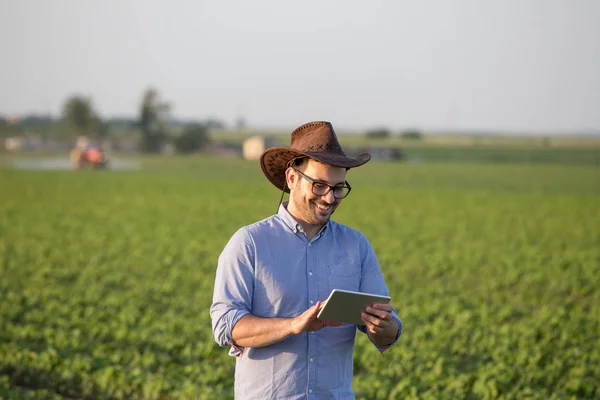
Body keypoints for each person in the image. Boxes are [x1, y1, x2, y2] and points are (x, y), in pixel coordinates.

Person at [210, 121, 402, 399]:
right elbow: (225, 325)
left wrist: (384, 326)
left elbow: (389, 332)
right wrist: (293, 325)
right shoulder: (249, 243)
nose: (329, 198)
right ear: (292, 178)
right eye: (320, 185)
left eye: (338, 188)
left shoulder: (356, 245)